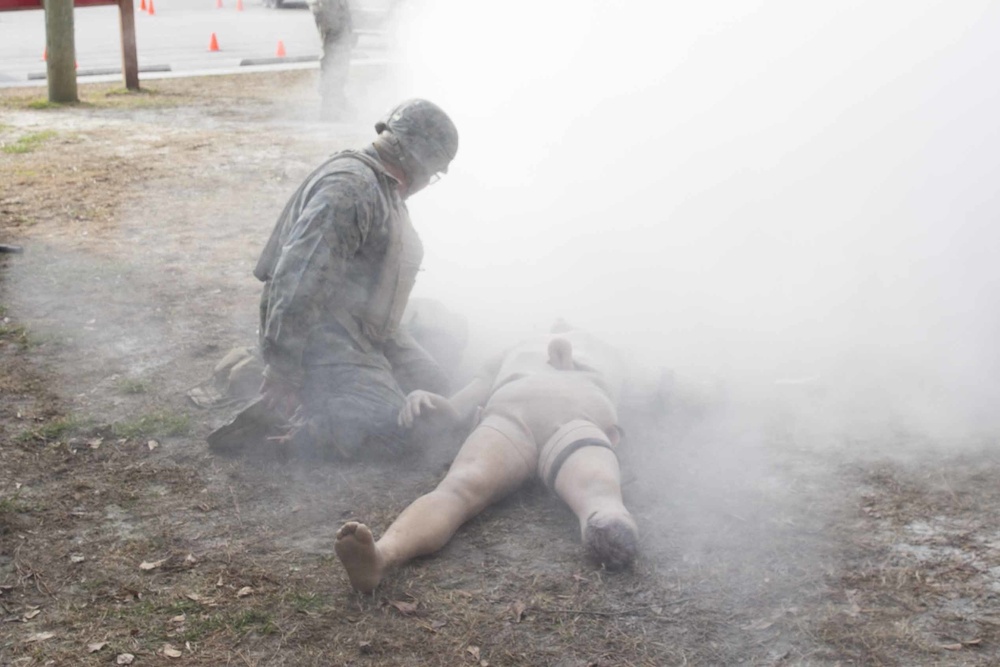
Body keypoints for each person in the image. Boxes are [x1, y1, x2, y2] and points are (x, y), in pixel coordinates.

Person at [207, 99, 460, 461]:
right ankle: (304, 421)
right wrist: (284, 369)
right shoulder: (351, 189)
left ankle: (329, 387)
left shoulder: (384, 185)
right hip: (322, 336)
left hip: (362, 326)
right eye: (433, 171)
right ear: (418, 159)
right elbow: (298, 279)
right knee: (401, 430)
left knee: (436, 393)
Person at [334, 324, 640, 593]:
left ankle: (611, 537)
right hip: (511, 418)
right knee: (458, 487)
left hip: (576, 416)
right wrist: (425, 399)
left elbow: (631, 392)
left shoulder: (607, 350)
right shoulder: (513, 350)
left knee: (600, 495)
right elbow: (458, 407)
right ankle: (381, 556)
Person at [308, 0, 355, 121]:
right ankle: (331, 107)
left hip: (335, 14)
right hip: (331, 14)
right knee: (334, 57)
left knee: (339, 57)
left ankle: (336, 101)